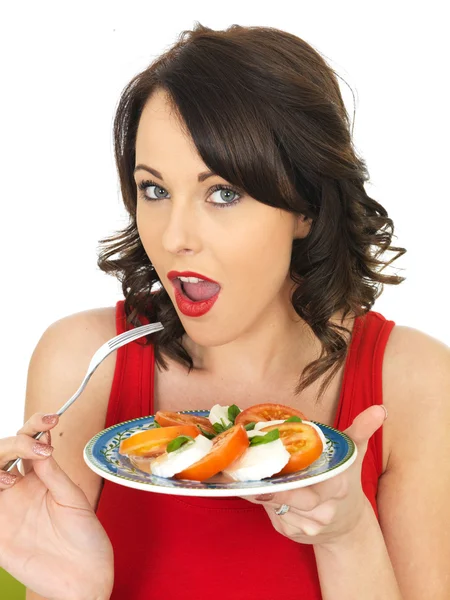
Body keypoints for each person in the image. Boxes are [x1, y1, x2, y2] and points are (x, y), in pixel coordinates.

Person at [0, 22, 449, 600]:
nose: (176, 237)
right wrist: (70, 588)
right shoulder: (83, 363)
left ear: (305, 207)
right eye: (154, 190)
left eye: (224, 192)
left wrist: (347, 536)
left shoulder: (413, 382)